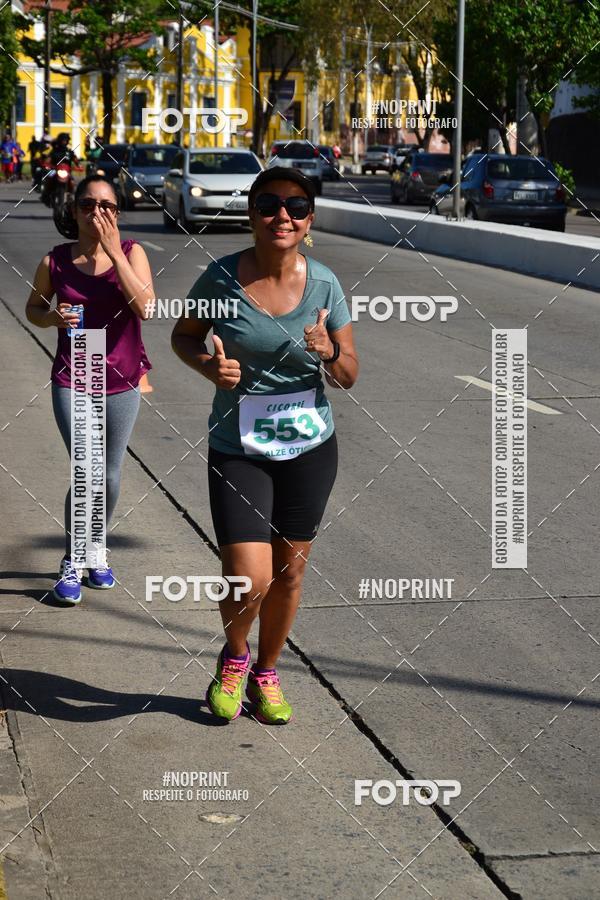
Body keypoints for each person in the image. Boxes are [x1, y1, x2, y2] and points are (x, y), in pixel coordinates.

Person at [171, 166, 359, 725]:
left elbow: (349, 374)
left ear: (309, 221)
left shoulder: (325, 285)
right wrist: (211, 366)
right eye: (271, 204)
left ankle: (267, 674)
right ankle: (234, 656)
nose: (284, 216)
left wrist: (328, 351)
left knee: (290, 573)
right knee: (248, 576)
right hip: (239, 446)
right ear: (251, 214)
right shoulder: (221, 279)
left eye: (297, 207)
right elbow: (183, 336)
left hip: (308, 447)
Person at [25, 175, 154, 604]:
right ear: (74, 211)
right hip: (74, 374)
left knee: (111, 474)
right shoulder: (55, 261)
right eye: (88, 205)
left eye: (107, 206)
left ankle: (96, 548)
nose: (97, 213)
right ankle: (73, 559)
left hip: (122, 377)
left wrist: (114, 252)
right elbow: (33, 309)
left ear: (117, 213)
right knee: (87, 470)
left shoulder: (133, 254)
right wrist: (52, 318)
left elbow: (146, 308)